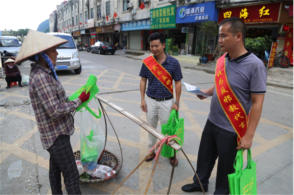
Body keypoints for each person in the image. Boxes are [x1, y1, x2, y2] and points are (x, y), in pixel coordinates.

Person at [181, 17, 267, 194]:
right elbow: (221, 85)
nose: (219, 40)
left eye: (223, 36)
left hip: (232, 128)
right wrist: (206, 92)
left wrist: (249, 136)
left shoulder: (255, 65)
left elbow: (258, 103)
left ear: (238, 36)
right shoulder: (223, 59)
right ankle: (200, 183)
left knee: (226, 168)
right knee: (204, 157)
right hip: (213, 121)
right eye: (218, 36)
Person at [15, 30, 90, 195]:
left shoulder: (44, 73)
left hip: (55, 134)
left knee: (55, 170)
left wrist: (73, 99)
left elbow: (56, 100)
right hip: (55, 136)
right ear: (43, 55)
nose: (57, 53)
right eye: (53, 50)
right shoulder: (41, 77)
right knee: (71, 174)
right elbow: (55, 110)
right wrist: (79, 101)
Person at [139, 32, 183, 166]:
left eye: (156, 46)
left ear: (163, 45)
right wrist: (142, 99)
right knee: (151, 127)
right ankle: (152, 150)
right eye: (151, 46)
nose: (154, 49)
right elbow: (143, 80)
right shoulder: (148, 63)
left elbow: (178, 83)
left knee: (169, 130)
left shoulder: (174, 63)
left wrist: (176, 102)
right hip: (151, 100)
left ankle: (171, 154)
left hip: (167, 101)